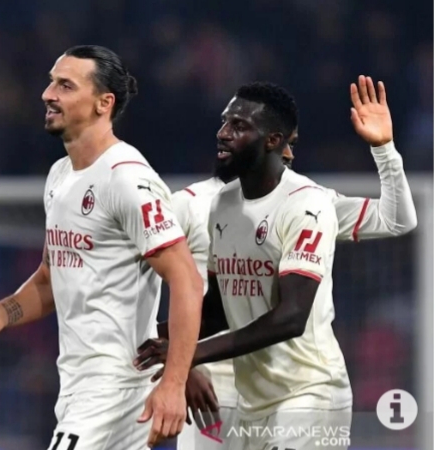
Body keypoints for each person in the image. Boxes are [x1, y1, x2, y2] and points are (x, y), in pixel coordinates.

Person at [0, 45, 204, 450]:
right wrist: (3, 314)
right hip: (77, 386)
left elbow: (186, 279)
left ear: (104, 103)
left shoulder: (127, 179)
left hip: (115, 388)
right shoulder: (60, 175)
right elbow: (52, 278)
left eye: (65, 86)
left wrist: (174, 383)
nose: (48, 94)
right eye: (51, 83)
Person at [136, 78, 414, 450]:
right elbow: (218, 310)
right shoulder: (222, 204)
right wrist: (152, 337)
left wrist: (384, 149)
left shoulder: (308, 204)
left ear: (273, 140)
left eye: (238, 126)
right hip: (254, 403)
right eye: (224, 122)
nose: (222, 133)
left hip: (310, 395)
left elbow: (291, 316)